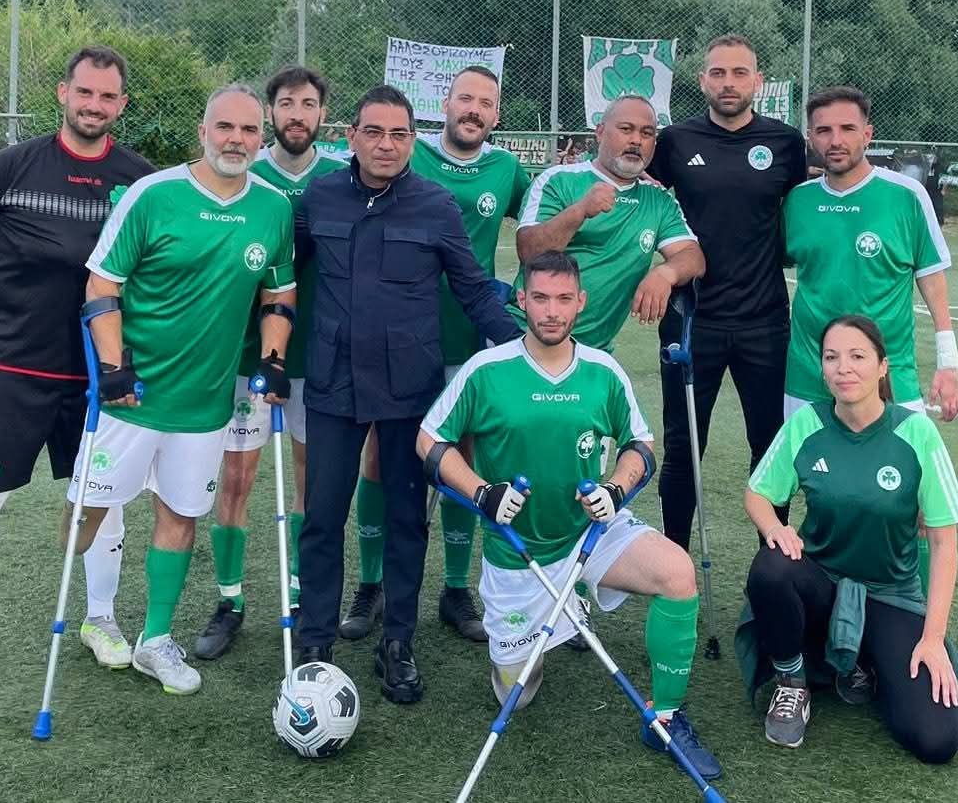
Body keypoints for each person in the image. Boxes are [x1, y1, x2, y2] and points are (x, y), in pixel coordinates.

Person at [417, 250, 722, 781]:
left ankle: (667, 718)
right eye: (540, 298)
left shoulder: (603, 371)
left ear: (580, 302)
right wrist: (483, 493)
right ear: (521, 300)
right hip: (518, 553)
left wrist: (616, 489)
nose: (552, 311)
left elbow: (640, 446)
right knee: (516, 694)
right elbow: (430, 441)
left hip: (590, 534)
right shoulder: (486, 370)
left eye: (563, 299)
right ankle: (553, 619)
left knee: (677, 574)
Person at [0, 46, 154, 695]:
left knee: (103, 497)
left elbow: (158, 264)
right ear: (63, 93)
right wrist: (5, 292)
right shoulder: (14, 165)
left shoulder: (139, 181)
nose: (94, 105)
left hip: (98, 372)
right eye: (85, 92)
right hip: (10, 367)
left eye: (107, 96)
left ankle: (101, 620)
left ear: (121, 105)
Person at [67, 83, 297, 694]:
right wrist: (114, 367)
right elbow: (101, 284)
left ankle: (155, 640)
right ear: (203, 131)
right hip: (133, 397)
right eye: (225, 127)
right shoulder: (153, 195)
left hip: (206, 404)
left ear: (261, 138)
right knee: (85, 514)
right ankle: (90, 612)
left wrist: (273, 358)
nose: (236, 140)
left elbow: (279, 294)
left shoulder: (273, 209)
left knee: (180, 515)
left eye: (249, 131)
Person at [293, 85, 518, 703]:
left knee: (405, 519)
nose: (386, 145)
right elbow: (282, 275)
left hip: (409, 387)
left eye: (398, 134)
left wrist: (522, 349)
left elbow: (473, 289)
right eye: (373, 132)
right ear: (351, 136)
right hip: (333, 382)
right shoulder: (320, 197)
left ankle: (398, 641)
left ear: (413, 141)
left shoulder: (436, 205)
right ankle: (315, 644)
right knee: (322, 516)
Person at [346, 65, 533, 646]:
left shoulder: (507, 169)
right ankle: (371, 584)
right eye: (465, 98)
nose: (474, 109)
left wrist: (519, 291)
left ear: (496, 115)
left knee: (463, 458)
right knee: (380, 455)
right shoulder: (409, 153)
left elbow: (541, 228)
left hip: (470, 338)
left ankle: (454, 589)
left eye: (486, 103)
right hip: (402, 336)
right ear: (444, 104)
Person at [743, 315, 958, 762]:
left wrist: (932, 638)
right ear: (822, 368)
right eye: (832, 357)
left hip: (891, 595)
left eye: (857, 356)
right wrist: (775, 528)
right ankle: (792, 681)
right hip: (820, 587)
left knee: (935, 740)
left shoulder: (916, 433)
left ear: (882, 367)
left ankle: (864, 658)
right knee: (772, 565)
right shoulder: (807, 423)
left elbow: (944, 544)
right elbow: (757, 494)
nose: (843, 367)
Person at [191, 67, 345, 661]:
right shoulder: (242, 175)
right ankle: (229, 600)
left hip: (320, 356)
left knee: (311, 481)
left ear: (323, 115)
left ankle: (303, 594)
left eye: (308, 104)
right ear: (270, 115)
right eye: (285, 104)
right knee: (236, 478)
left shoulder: (341, 176)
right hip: (245, 356)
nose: (296, 114)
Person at [643, 34, 809, 554]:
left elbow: (801, 216)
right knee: (684, 444)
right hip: (692, 318)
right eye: (718, 73)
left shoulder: (786, 143)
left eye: (740, 73)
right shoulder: (675, 141)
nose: (729, 83)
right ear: (702, 81)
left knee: (770, 445)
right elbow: (642, 202)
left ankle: (772, 561)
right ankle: (674, 564)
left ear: (758, 81)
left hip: (765, 320)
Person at [784, 87, 958, 419]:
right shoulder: (797, 201)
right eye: (824, 130)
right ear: (810, 138)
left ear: (867, 135)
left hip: (890, 379)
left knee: (900, 455)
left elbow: (932, 278)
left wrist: (948, 362)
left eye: (847, 129)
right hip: (808, 377)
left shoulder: (907, 196)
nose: (836, 140)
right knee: (808, 456)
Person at [515, 94, 706, 353]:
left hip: (594, 350)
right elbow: (529, 252)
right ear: (600, 132)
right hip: (524, 336)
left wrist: (665, 273)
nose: (636, 140)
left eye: (647, 133)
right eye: (626, 129)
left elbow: (693, 257)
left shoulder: (658, 200)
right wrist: (580, 211)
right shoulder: (558, 180)